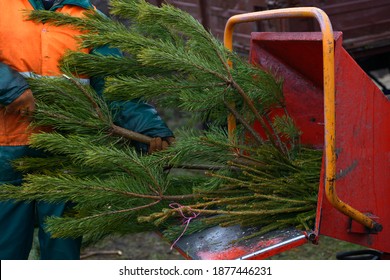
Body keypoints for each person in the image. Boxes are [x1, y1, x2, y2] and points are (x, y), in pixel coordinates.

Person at [0, 0, 174, 260]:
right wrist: (9, 88)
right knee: (6, 247)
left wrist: (149, 128)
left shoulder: (88, 18)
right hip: (5, 148)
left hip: (66, 151)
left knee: (63, 249)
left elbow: (113, 85)